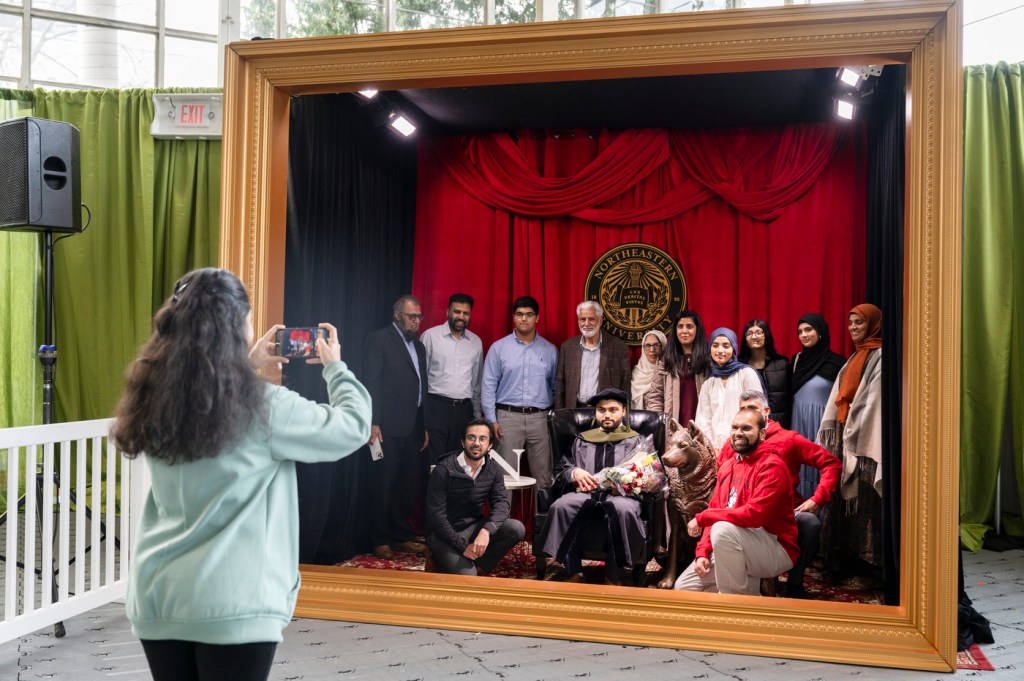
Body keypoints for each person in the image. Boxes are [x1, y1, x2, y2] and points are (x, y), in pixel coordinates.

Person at [111, 268, 371, 681]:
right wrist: (335, 368)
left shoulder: (152, 396)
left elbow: (209, 395)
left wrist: (246, 365)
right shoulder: (264, 408)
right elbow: (352, 427)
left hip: (159, 596)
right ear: (238, 326)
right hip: (234, 605)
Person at [673, 409, 797, 595]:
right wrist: (702, 553)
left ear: (762, 434)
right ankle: (751, 600)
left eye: (746, 428)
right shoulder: (728, 466)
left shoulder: (772, 466)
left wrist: (703, 517)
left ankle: (736, 610)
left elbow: (753, 516)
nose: (738, 432)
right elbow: (716, 508)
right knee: (684, 588)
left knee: (722, 530)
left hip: (775, 547)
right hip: (734, 542)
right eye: (735, 427)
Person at [737, 390, 841, 598]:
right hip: (747, 511)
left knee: (810, 524)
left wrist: (817, 498)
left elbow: (831, 463)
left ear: (766, 412)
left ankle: (795, 582)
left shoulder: (788, 439)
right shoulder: (737, 440)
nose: (748, 415)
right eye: (742, 410)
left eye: (753, 409)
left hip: (785, 512)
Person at [540, 388, 646, 585]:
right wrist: (574, 473)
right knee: (562, 506)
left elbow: (648, 475)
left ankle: (613, 576)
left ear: (624, 411)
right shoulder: (582, 438)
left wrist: (626, 483)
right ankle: (574, 571)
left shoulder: (636, 440)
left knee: (623, 510)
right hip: (585, 493)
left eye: (613, 409)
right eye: (601, 409)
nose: (606, 414)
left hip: (621, 496)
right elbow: (563, 467)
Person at [817, 303, 883, 580]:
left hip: (865, 443)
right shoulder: (854, 358)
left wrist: (852, 428)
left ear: (873, 325)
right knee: (843, 503)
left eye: (860, 323)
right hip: (846, 441)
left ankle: (868, 567)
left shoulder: (880, 356)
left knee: (864, 503)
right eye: (851, 323)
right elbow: (839, 398)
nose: (854, 328)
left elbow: (872, 401)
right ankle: (841, 562)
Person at [363, 295, 430, 560]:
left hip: (412, 426)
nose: (416, 322)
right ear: (397, 315)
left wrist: (422, 425)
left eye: (419, 317)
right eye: (411, 316)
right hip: (384, 428)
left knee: (406, 483)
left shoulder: (420, 347)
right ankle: (379, 538)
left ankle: (400, 535)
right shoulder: (378, 340)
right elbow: (371, 383)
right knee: (383, 482)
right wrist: (373, 421)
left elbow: (420, 388)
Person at [425, 419, 526, 576]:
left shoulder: (493, 469)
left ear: (490, 445)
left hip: (474, 527)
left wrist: (486, 531)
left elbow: (502, 503)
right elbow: (436, 517)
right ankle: (449, 561)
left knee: (516, 529)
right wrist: (462, 547)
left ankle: (479, 565)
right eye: (471, 437)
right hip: (444, 534)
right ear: (463, 442)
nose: (476, 443)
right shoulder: (443, 470)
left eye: (482, 439)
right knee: (469, 576)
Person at [481, 295, 558, 492]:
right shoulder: (499, 348)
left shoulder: (550, 350)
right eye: (519, 314)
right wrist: (492, 420)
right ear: (514, 317)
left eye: (529, 314)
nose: (524, 319)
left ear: (537, 318)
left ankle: (543, 521)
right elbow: (488, 385)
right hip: (507, 419)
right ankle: (505, 522)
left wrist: (553, 419)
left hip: (540, 419)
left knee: (544, 478)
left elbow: (557, 386)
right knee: (505, 476)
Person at [420, 293, 484, 465]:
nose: (461, 317)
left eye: (465, 313)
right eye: (457, 312)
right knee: (435, 463)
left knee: (459, 464)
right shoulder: (430, 336)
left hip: (463, 411)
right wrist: (421, 418)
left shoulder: (476, 342)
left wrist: (477, 417)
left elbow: (476, 383)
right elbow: (420, 380)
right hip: (436, 408)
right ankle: (435, 493)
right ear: (447, 311)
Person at [790, 313, 846, 501]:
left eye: (808, 329)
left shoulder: (838, 362)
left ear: (820, 332)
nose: (803, 335)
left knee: (823, 464)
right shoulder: (797, 360)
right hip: (798, 421)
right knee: (799, 466)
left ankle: (822, 518)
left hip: (823, 424)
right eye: (800, 331)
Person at [694, 328, 764, 452]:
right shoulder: (708, 384)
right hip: (717, 450)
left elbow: (758, 412)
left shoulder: (746, 374)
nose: (720, 350)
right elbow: (703, 420)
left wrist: (744, 443)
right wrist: (712, 447)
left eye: (726, 346)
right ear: (710, 349)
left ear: (734, 349)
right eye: (715, 346)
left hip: (745, 446)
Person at [554, 300, 631, 409]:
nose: (586, 323)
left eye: (591, 319)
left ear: (600, 321)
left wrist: (623, 412)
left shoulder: (618, 347)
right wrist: (559, 414)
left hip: (606, 412)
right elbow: (560, 384)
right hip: (573, 411)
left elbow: (625, 384)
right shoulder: (567, 347)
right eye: (582, 319)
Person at [646, 310, 711, 425]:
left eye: (689, 327)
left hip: (703, 425)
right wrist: (657, 425)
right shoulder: (665, 359)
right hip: (673, 426)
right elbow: (656, 396)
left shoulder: (708, 359)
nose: (684, 331)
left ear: (697, 330)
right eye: (680, 327)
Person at [739, 319, 792, 428]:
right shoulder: (739, 366)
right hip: (749, 424)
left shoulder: (782, 363)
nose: (754, 337)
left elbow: (790, 399)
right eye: (749, 333)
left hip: (779, 424)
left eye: (759, 332)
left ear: (766, 336)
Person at [631, 329, 667, 410]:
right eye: (647, 345)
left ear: (663, 346)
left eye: (656, 345)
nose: (652, 350)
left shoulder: (669, 370)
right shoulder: (637, 372)